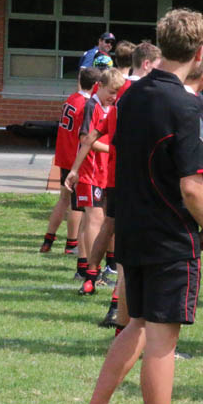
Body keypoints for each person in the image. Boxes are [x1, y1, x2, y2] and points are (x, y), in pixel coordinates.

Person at [75, 9, 203, 404]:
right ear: (199, 52)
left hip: (132, 228)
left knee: (136, 323)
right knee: (161, 343)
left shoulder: (130, 95)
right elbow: (192, 186)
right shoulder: (186, 106)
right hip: (169, 236)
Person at [66, 43, 162, 330]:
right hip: (134, 180)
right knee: (127, 239)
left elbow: (90, 138)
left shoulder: (118, 101)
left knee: (108, 225)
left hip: (113, 178)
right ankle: (116, 306)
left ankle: (90, 274)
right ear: (147, 64)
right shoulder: (144, 95)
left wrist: (74, 169)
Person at [75, 68, 125, 296]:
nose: (114, 97)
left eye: (117, 93)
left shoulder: (108, 108)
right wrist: (113, 149)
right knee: (95, 220)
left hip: (103, 172)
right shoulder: (91, 106)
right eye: (111, 92)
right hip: (90, 171)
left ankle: (91, 268)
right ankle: (88, 271)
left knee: (97, 221)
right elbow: (86, 140)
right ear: (100, 86)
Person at [41, 67, 100, 255]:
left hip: (64, 155)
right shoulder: (87, 105)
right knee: (78, 205)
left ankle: (48, 239)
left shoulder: (71, 99)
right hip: (75, 158)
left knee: (63, 199)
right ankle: (71, 244)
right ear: (96, 85)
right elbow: (84, 135)